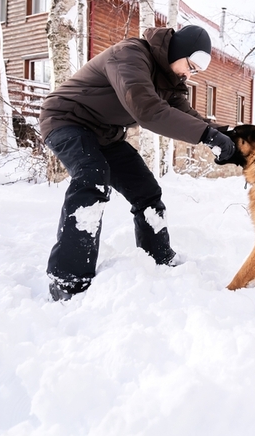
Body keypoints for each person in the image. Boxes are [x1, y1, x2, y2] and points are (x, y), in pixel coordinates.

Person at [39, 25, 236, 301]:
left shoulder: (170, 84)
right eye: (190, 66)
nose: (188, 74)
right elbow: (146, 109)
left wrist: (228, 135)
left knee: (146, 190)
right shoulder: (130, 55)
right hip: (66, 120)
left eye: (195, 72)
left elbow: (192, 118)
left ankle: (157, 258)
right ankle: (68, 279)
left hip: (104, 135)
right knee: (92, 177)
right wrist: (207, 136)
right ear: (178, 51)